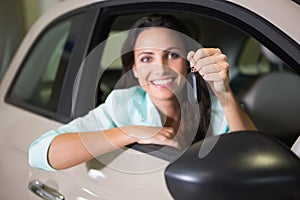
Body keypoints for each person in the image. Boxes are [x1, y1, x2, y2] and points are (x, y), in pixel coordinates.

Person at [29, 14, 257, 171]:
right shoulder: (123, 105)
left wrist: (225, 94)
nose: (160, 67)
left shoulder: (216, 105)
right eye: (147, 58)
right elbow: (40, 152)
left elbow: (253, 160)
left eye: (173, 55)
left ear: (188, 64)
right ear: (135, 69)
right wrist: (130, 132)